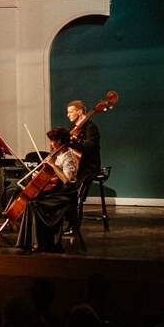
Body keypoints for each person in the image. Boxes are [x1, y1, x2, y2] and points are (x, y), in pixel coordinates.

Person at [66, 98, 103, 229]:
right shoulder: (76, 128)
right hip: (78, 166)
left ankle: (73, 226)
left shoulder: (90, 128)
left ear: (80, 112)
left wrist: (73, 142)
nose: (68, 115)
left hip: (88, 167)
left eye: (71, 112)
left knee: (74, 192)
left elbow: (90, 148)